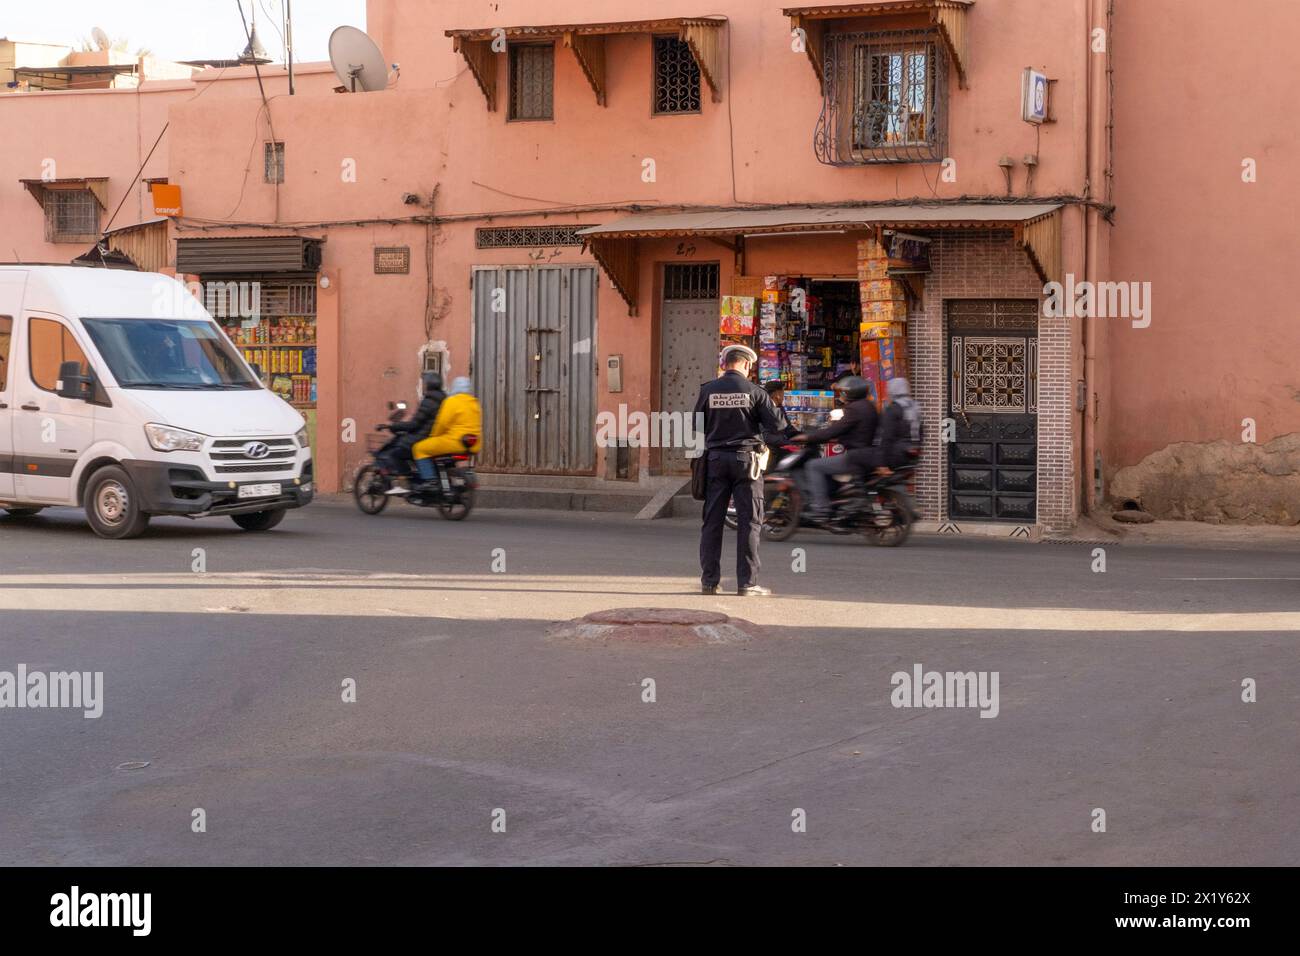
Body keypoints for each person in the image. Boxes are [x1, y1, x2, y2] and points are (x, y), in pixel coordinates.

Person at [694, 344, 784, 597]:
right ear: (746, 365)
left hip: (716, 461)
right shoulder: (755, 391)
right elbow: (777, 425)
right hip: (748, 464)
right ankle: (747, 583)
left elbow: (696, 426)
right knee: (749, 523)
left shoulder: (707, 390)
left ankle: (709, 582)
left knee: (712, 522)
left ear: (725, 363)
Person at [795, 375, 879, 522]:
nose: (841, 395)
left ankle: (821, 508)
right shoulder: (869, 406)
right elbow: (854, 430)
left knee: (813, 465)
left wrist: (808, 437)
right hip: (867, 454)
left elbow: (835, 430)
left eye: (842, 392)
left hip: (855, 457)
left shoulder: (854, 409)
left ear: (849, 392)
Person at [412, 376, 483, 489]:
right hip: (472, 444)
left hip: (454, 442)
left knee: (419, 448)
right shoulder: (474, 403)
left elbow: (442, 423)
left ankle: (430, 480)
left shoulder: (452, 401)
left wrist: (433, 436)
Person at [849, 376, 923, 476]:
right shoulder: (916, 408)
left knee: (853, 455)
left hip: (894, 456)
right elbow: (921, 434)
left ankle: (860, 488)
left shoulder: (893, 409)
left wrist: (882, 464)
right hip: (910, 458)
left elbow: (886, 437)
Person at [386, 372, 446, 494]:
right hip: (434, 436)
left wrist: (396, 426)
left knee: (395, 453)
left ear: (428, 385)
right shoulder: (444, 400)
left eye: (424, 383)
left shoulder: (429, 401)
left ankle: (404, 484)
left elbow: (415, 424)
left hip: (421, 437)